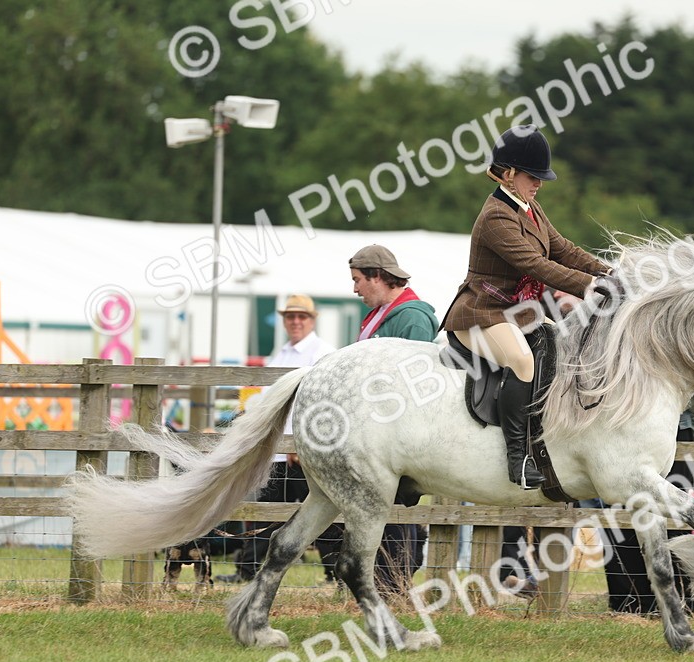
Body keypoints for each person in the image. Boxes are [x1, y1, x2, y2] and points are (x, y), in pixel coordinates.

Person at [442, 125, 611, 489]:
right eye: (532, 176)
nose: (538, 184)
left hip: (516, 312)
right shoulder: (496, 216)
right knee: (522, 360)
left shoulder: (529, 207)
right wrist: (590, 286)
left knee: (558, 345)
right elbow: (535, 265)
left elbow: (562, 248)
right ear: (508, 174)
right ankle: (518, 459)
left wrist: (608, 271)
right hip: (482, 313)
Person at [220, 295, 338, 583]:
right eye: (291, 316)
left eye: (301, 316)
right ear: (285, 321)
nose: (296, 321)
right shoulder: (282, 354)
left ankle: (335, 573)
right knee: (270, 511)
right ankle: (247, 569)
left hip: (304, 449)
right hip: (279, 449)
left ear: (312, 320)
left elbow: (322, 402)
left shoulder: (323, 353)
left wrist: (300, 440)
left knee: (322, 513)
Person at [348, 244, 438, 592]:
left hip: (397, 433)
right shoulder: (383, 314)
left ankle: (393, 583)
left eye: (358, 280)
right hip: (377, 430)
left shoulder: (411, 318)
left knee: (394, 513)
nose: (355, 289)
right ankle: (382, 582)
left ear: (377, 277)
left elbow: (414, 382)